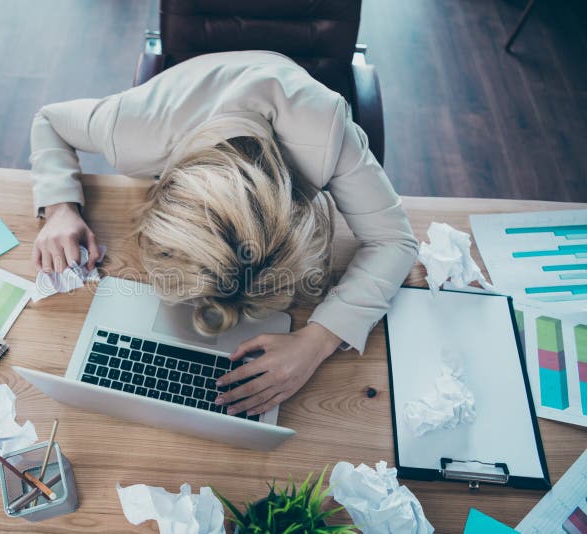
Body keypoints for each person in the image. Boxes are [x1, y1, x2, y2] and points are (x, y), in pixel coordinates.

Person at [29, 51, 418, 418]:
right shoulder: (130, 130)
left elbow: (396, 241)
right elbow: (49, 121)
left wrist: (318, 340)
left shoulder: (327, 129)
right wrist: (60, 208)